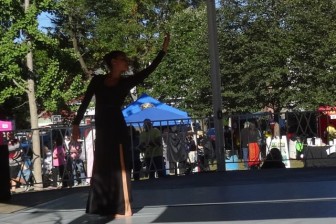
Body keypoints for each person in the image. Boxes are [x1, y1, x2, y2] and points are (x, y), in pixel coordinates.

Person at [71, 34, 170, 218]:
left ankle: (122, 207)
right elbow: (85, 102)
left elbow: (148, 70)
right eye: (124, 59)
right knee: (102, 166)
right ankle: (102, 206)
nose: (127, 62)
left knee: (121, 166)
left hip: (117, 126)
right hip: (102, 128)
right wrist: (76, 123)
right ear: (114, 62)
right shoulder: (97, 81)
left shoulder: (126, 82)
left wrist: (162, 52)